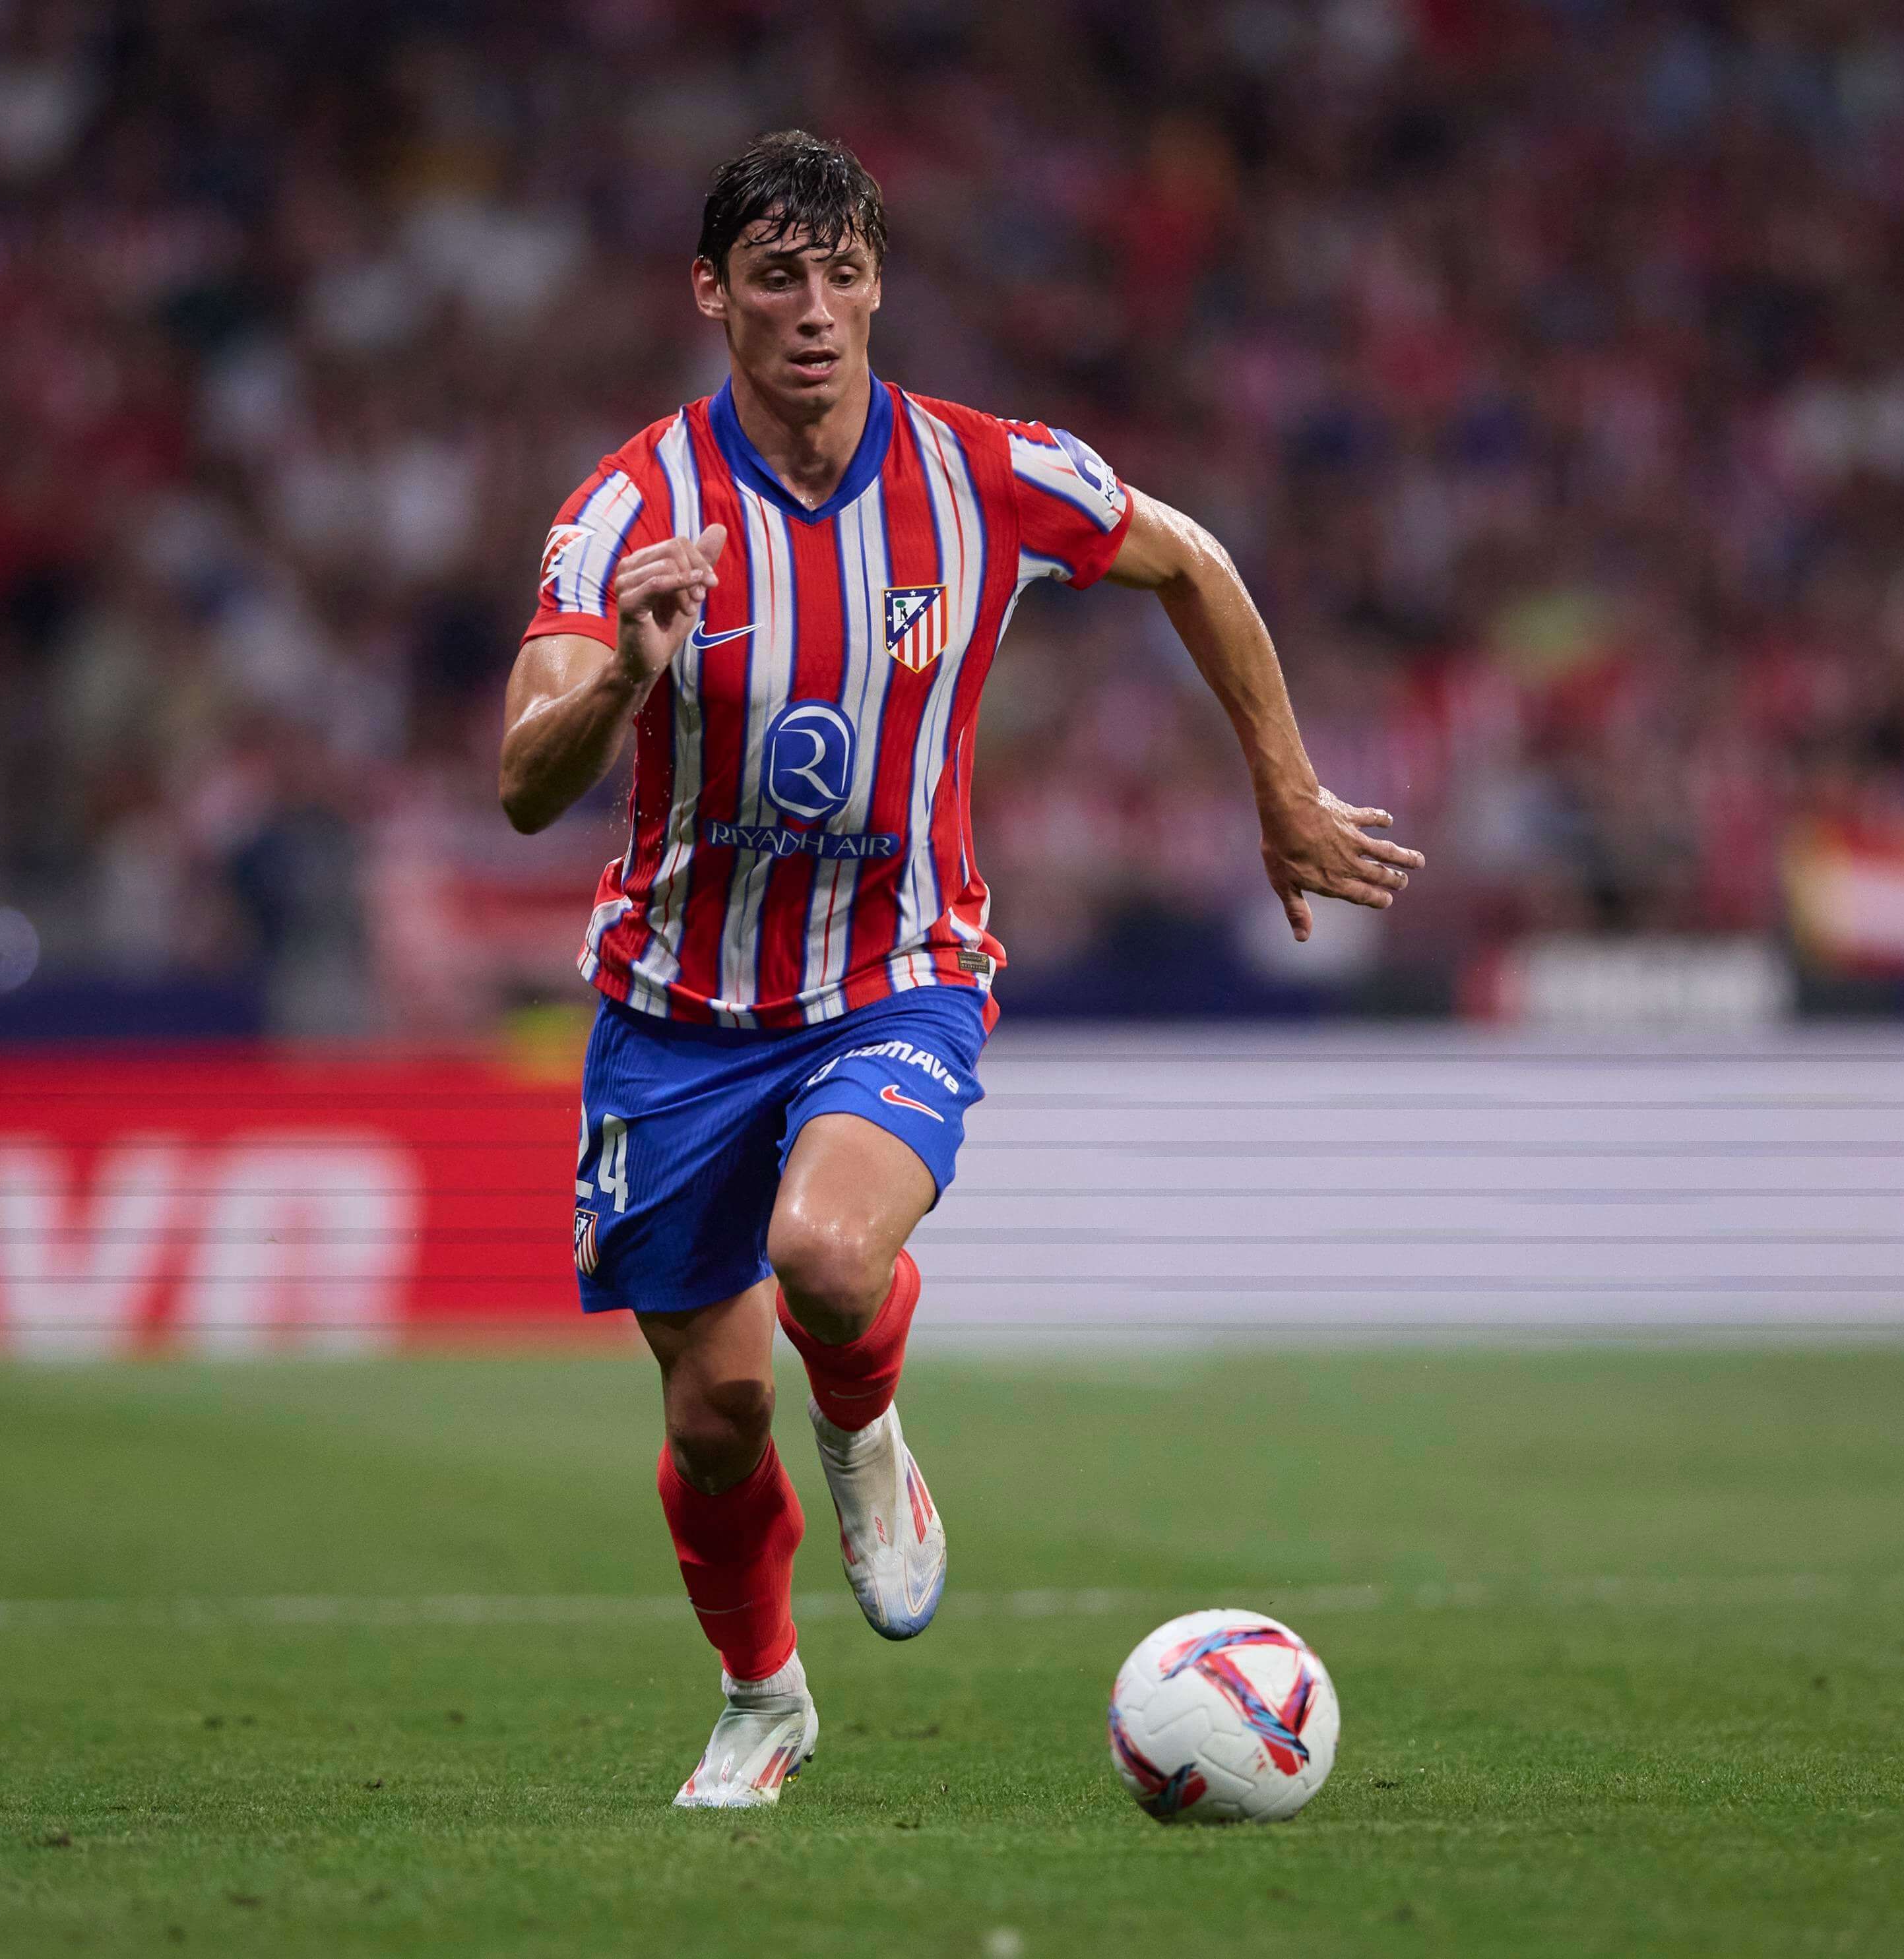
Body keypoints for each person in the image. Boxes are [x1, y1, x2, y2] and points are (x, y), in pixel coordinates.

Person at [497, 131, 1421, 1809]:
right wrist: (624, 679)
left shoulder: (980, 472)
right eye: (775, 277)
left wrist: (1281, 787)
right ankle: (762, 1698)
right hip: (672, 1016)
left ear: (876, 287)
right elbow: (519, 782)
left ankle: (862, 1430)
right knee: (710, 1413)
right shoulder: (626, 513)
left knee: (827, 1259)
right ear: (711, 294)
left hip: (895, 972)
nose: (815, 311)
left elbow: (1187, 560)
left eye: (842, 274)